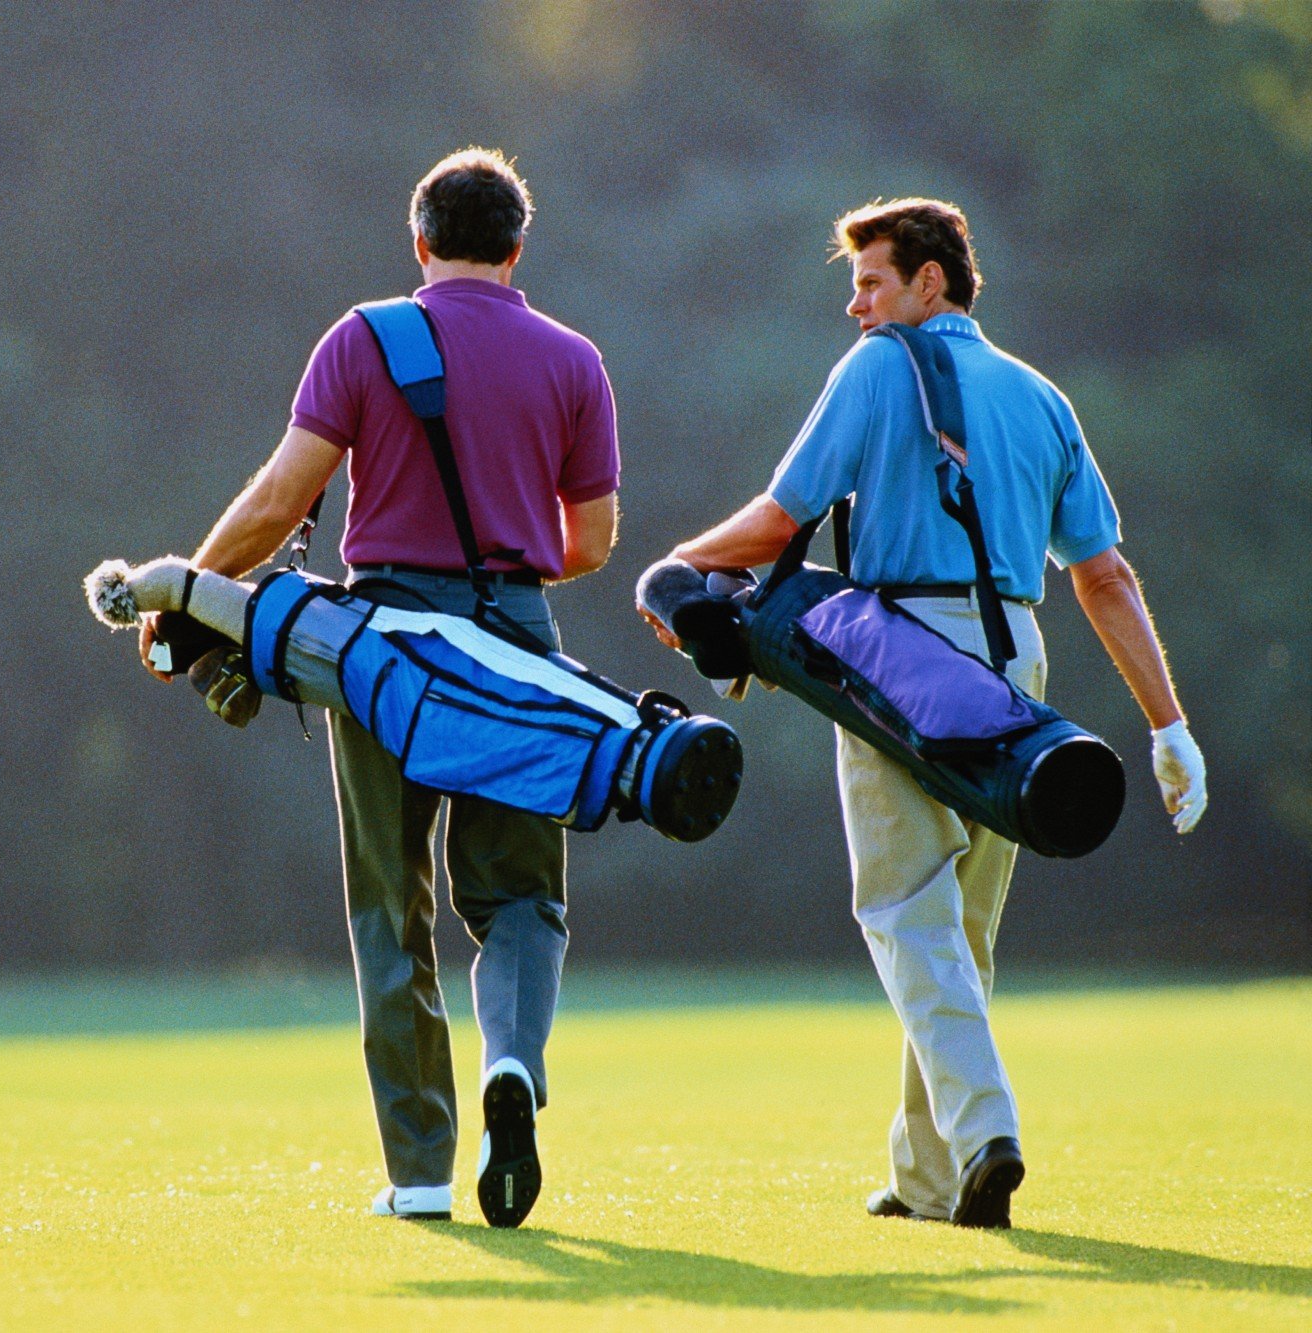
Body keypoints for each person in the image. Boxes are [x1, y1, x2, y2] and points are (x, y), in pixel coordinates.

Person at [643, 198, 1206, 1228]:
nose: (853, 306)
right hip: (1013, 666)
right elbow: (1104, 576)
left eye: (868, 281)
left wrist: (677, 565)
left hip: (895, 656)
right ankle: (926, 1176)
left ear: (928, 281)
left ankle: (985, 1131)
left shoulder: (874, 368)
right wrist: (1168, 726)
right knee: (961, 933)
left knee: (903, 911)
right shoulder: (1041, 397)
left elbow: (778, 517)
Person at [138, 148, 620, 1226]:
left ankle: (416, 1174)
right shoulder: (573, 360)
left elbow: (278, 500)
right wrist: (499, 548)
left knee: (389, 905)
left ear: (418, 242)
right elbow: (587, 543)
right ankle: (513, 1066)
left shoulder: (363, 339)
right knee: (520, 898)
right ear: (516, 246)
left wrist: (188, 594)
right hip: (515, 647)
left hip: (383, 649)